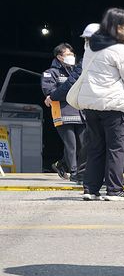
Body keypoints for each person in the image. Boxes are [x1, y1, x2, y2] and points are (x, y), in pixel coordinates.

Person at [74, 8, 124, 201]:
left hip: (92, 106)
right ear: (118, 28)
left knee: (95, 148)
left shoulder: (91, 48)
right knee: (116, 148)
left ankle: (90, 189)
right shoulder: (122, 50)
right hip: (115, 106)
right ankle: (115, 190)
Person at [42, 43, 85, 182]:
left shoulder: (77, 71)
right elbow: (50, 92)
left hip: (80, 113)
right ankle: (74, 172)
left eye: (72, 54)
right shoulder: (50, 73)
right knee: (71, 145)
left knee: (83, 145)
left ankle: (61, 164)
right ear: (59, 57)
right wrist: (64, 92)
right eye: (68, 54)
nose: (71, 57)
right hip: (62, 113)